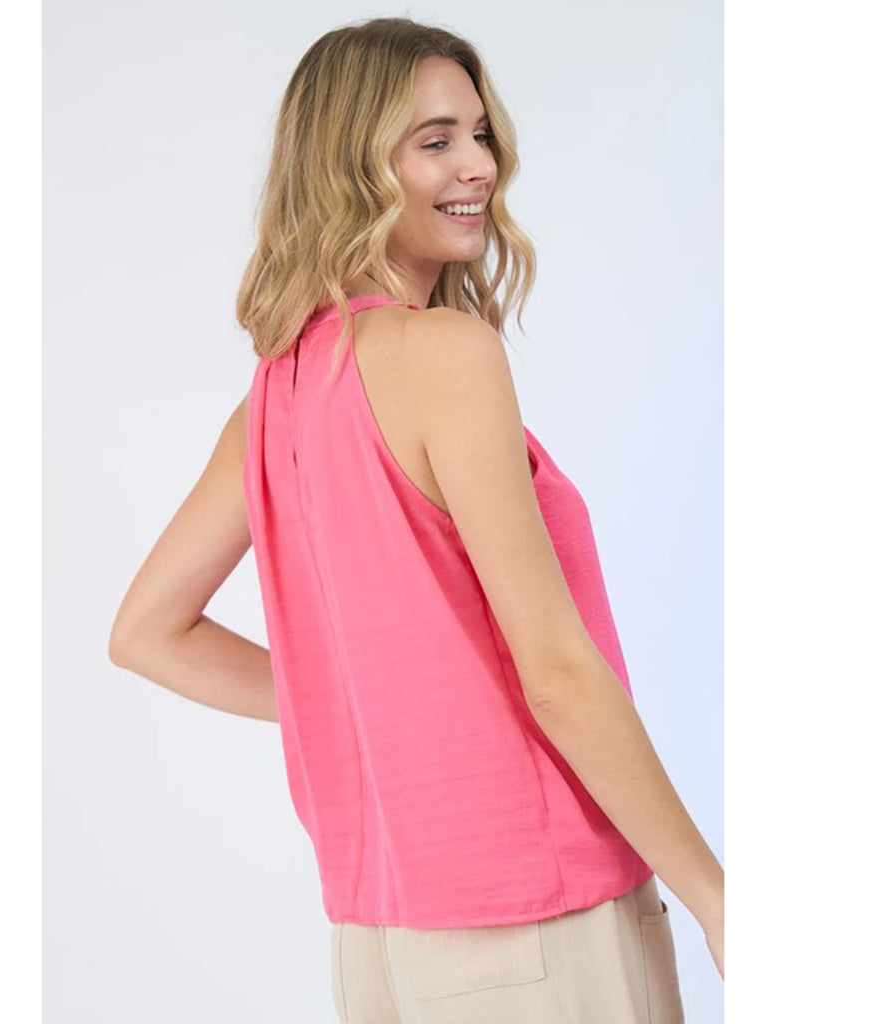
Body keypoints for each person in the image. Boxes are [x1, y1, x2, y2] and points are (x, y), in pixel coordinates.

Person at [109, 15, 723, 1022]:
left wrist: (359, 699)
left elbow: (146, 630)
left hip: (381, 943)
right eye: (434, 142)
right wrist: (715, 894)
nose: (478, 165)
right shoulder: (447, 354)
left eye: (479, 134)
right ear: (351, 167)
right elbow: (558, 673)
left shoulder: (278, 395)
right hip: (543, 917)